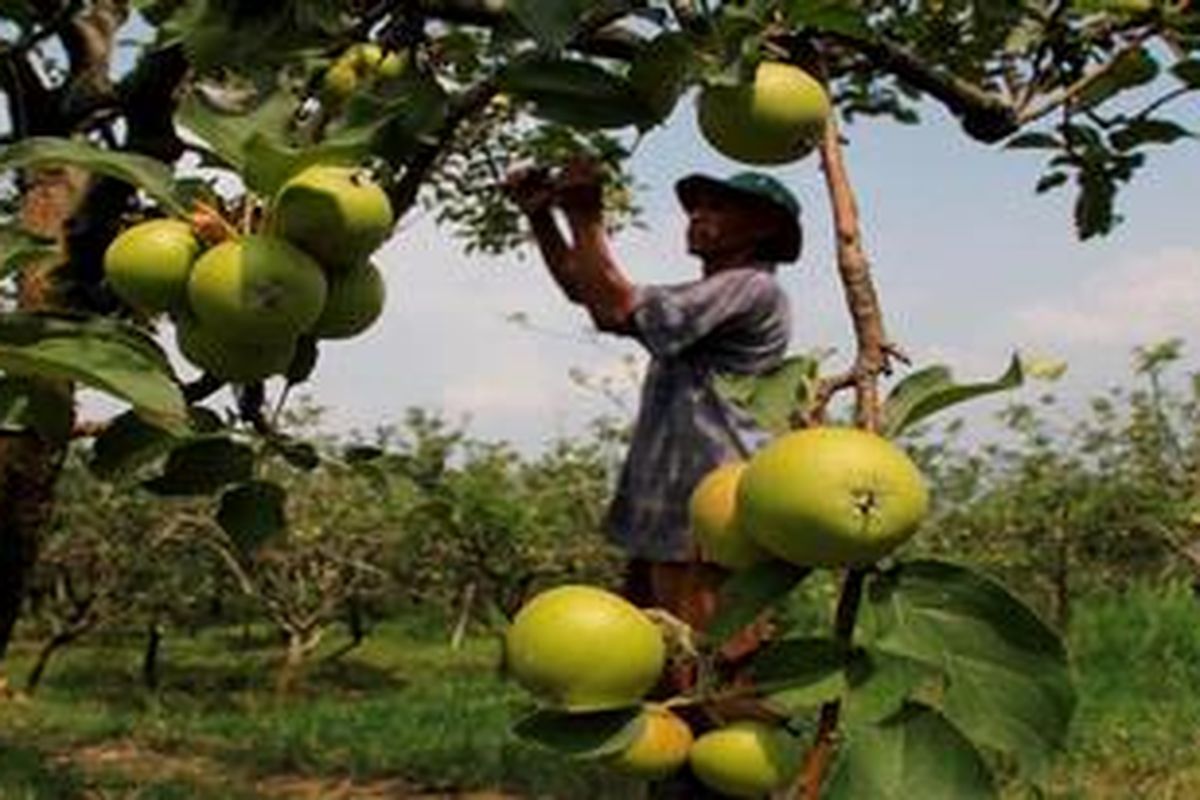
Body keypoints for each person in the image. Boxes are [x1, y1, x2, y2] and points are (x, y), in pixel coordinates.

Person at [505, 159, 801, 661]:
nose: (698, 215)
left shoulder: (752, 288)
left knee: (710, 664)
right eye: (696, 206)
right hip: (672, 511)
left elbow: (614, 307)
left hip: (709, 513)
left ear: (766, 226)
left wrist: (585, 216)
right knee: (656, 660)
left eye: (719, 206)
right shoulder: (708, 293)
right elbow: (590, 290)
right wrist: (543, 219)